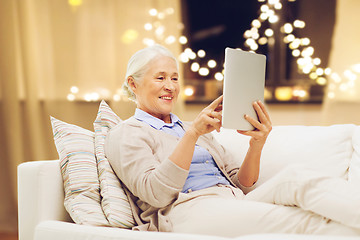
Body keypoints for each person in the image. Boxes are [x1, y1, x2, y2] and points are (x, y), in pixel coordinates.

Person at [105, 44, 360, 237]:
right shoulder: (126, 133)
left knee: (297, 177)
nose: (170, 86)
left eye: (174, 78)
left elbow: (243, 183)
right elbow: (156, 194)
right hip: (186, 212)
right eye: (160, 78)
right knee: (304, 221)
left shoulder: (190, 127)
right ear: (133, 84)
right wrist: (192, 135)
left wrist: (257, 143)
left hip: (234, 200)